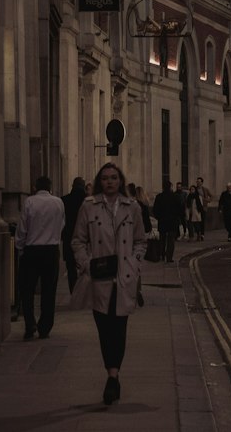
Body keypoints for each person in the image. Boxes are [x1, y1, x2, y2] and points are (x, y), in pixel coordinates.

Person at [71, 162, 147, 406]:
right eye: (105, 178)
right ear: (99, 181)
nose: (110, 182)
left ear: (121, 181)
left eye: (114, 178)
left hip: (124, 278)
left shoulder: (132, 207)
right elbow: (77, 241)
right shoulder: (88, 206)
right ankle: (111, 373)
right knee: (105, 329)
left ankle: (113, 377)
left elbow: (140, 241)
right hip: (100, 279)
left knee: (119, 328)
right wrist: (87, 264)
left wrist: (134, 265)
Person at [16, 175, 66, 340]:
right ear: (50, 187)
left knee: (27, 289)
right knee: (49, 290)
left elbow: (23, 227)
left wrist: (20, 247)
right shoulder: (58, 202)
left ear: (35, 186)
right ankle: (45, 326)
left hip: (32, 250)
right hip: (51, 250)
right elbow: (62, 224)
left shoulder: (29, 202)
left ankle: (30, 323)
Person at [60, 176, 87, 292]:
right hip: (85, 239)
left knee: (71, 267)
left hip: (69, 238)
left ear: (72, 186)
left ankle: (74, 291)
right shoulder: (89, 201)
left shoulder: (64, 200)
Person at [153, 179, 183, 262]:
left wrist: (159, 217)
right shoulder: (175, 196)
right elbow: (180, 209)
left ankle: (162, 255)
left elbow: (155, 210)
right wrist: (177, 217)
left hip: (162, 221)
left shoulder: (159, 196)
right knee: (171, 240)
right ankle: (169, 257)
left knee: (162, 239)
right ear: (170, 187)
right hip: (172, 221)